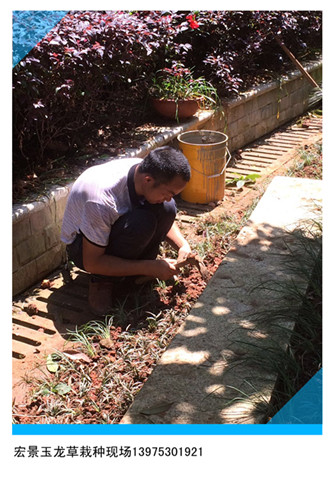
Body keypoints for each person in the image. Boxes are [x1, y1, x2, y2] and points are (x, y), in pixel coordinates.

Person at [61, 146, 192, 315]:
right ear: (148, 180)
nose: (170, 197)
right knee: (142, 223)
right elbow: (92, 262)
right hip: (82, 248)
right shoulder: (101, 200)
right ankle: (102, 281)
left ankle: (136, 274)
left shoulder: (147, 172)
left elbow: (164, 208)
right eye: (168, 192)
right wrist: (149, 267)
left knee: (167, 208)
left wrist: (183, 245)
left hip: (113, 229)